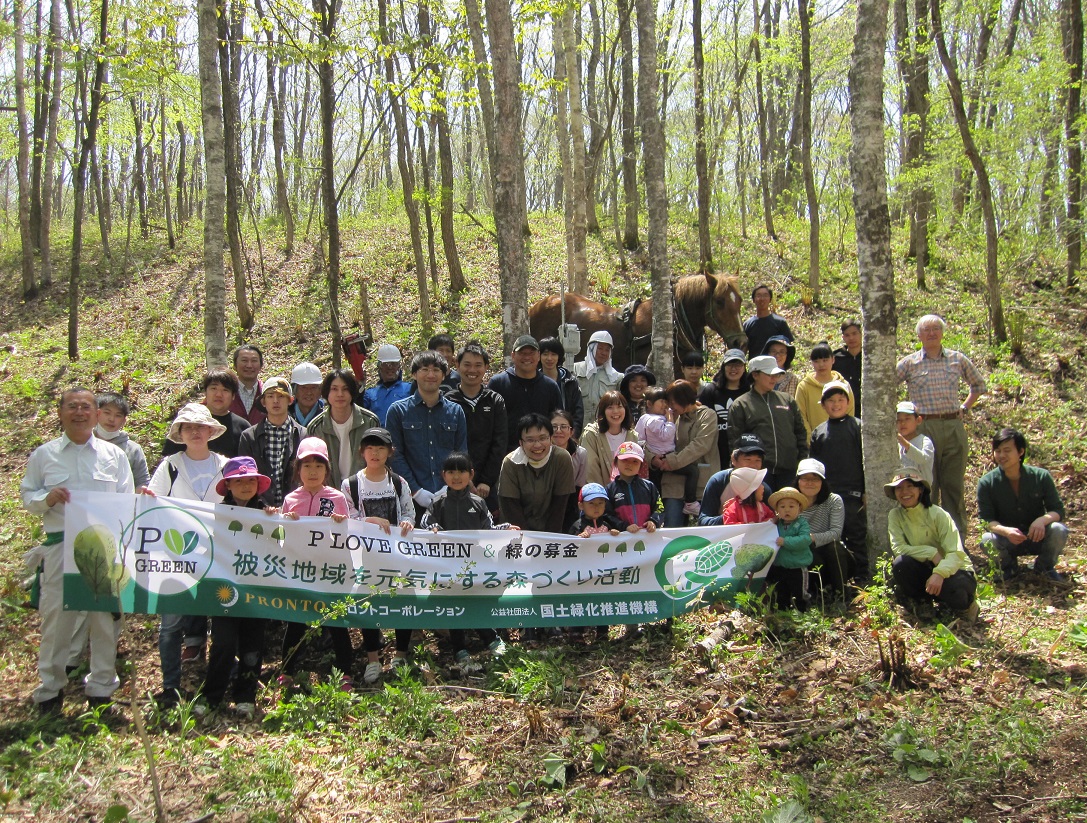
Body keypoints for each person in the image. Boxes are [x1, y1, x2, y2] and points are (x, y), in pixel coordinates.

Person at [21, 388, 134, 715]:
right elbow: (28, 497)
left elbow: (127, 502)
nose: (80, 412)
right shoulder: (45, 455)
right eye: (73, 407)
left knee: (103, 620)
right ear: (61, 412)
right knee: (57, 618)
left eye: (87, 407)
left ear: (97, 414)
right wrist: (48, 499)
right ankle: (50, 690)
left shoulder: (114, 457)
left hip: (104, 549)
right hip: (60, 547)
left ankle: (100, 689)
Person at [146, 403, 229, 706]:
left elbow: (239, 503)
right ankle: (170, 685)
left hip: (218, 553)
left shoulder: (225, 463)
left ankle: (220, 680)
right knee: (170, 624)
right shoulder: (170, 466)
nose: (195, 432)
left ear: (210, 431)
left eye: (200, 426)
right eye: (188, 427)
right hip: (175, 553)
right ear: (180, 433)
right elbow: (151, 501)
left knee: (222, 616)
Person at [197, 457, 275, 718]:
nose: (245, 486)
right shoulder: (215, 514)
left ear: (258, 484)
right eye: (238, 481)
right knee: (223, 645)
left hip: (257, 592)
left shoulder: (267, 514)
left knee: (253, 647)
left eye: (250, 480)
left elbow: (283, 547)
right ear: (228, 485)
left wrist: (280, 522)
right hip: (224, 592)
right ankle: (212, 695)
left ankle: (246, 695)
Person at [896, 313, 987, 536]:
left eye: (935, 328)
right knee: (927, 485)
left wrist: (965, 407)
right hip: (923, 427)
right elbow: (884, 387)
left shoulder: (957, 359)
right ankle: (928, 535)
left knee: (952, 485)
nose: (931, 333)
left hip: (953, 425)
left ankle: (957, 538)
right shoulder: (909, 363)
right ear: (918, 335)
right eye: (926, 330)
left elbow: (979, 385)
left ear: (942, 332)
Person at [421, 452, 509, 670]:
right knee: (453, 607)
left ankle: (491, 639)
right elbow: (425, 524)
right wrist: (433, 529)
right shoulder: (437, 503)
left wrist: (507, 530)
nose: (456, 477)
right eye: (451, 472)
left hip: (474, 566)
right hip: (446, 567)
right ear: (443, 476)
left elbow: (488, 531)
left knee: (474, 603)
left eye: (462, 471)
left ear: (471, 474)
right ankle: (459, 648)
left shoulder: (479, 503)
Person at [279, 438, 354, 691]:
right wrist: (285, 522)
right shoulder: (290, 499)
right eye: (306, 466)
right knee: (295, 622)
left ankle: (345, 673)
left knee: (336, 622)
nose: (312, 472)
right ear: (297, 470)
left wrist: (340, 524)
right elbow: (281, 538)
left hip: (329, 570)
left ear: (327, 471)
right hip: (299, 570)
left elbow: (347, 536)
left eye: (318, 466)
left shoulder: (337, 498)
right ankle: (286, 672)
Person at [341, 427, 415, 682]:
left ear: (389, 452)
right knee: (368, 602)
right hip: (366, 556)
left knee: (404, 598)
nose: (375, 453)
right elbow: (348, 518)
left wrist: (406, 523)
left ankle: (401, 654)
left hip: (398, 554)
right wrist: (369, 520)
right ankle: (373, 658)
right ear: (362, 452)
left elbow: (408, 512)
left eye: (381, 447)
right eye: (370, 448)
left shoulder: (398, 482)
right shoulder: (350, 484)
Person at [977, 428, 1068, 582]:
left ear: (1020, 452)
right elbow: (986, 520)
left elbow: (1058, 510)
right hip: (1008, 540)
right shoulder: (987, 483)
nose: (1001, 455)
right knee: (987, 539)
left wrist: (1042, 520)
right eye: (997, 451)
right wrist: (1005, 531)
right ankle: (1008, 567)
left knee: (1059, 530)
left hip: (1037, 537)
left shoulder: (1040, 476)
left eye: (1007, 450)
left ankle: (1044, 568)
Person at [886, 470, 978, 621]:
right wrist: (930, 553)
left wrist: (939, 572)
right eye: (899, 488)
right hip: (925, 568)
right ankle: (923, 603)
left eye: (910, 486)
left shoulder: (938, 514)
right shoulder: (895, 515)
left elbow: (956, 553)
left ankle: (966, 607)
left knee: (956, 587)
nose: (905, 492)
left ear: (920, 489)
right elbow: (898, 548)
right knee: (901, 564)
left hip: (954, 570)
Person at [387, 351, 468, 518]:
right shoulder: (398, 411)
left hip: (451, 497)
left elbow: (461, 453)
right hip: (409, 501)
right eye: (424, 369)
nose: (431, 375)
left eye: (436, 370)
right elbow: (395, 455)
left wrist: (449, 486)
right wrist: (415, 491)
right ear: (414, 374)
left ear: (444, 375)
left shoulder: (456, 411)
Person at [809, 381, 867, 579]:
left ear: (848, 402)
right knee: (831, 539)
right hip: (829, 497)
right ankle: (835, 582)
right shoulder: (819, 432)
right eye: (831, 401)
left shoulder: (859, 427)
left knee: (857, 538)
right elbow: (814, 467)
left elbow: (867, 463)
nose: (836, 404)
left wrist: (866, 491)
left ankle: (861, 579)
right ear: (823, 404)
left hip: (854, 496)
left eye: (840, 400)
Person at [727, 355, 808, 491]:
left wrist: (802, 461)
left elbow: (800, 432)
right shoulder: (741, 404)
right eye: (769, 374)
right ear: (755, 375)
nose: (774, 378)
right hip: (759, 473)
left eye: (776, 375)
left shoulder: (787, 400)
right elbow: (735, 442)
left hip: (789, 470)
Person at [445, 341, 508, 512]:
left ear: (486, 367)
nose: (472, 370)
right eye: (467, 365)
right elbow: (446, 443)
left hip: (487, 486)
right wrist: (463, 477)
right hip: (454, 480)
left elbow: (499, 443)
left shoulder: (495, 401)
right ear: (457, 365)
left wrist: (486, 481)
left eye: (478, 365)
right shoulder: (448, 401)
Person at [656, 380, 720, 526]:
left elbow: (701, 444)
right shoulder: (671, 416)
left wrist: (672, 462)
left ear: (683, 399)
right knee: (672, 530)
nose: (670, 407)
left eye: (673, 402)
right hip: (673, 484)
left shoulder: (707, 415)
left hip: (701, 483)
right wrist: (655, 459)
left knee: (705, 533)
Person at [497, 414, 576, 533]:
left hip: (550, 532)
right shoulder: (510, 462)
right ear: (521, 442)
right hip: (517, 532)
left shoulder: (562, 458)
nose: (537, 445)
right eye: (530, 440)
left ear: (550, 438)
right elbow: (510, 507)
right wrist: (527, 540)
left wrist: (548, 539)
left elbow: (560, 505)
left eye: (543, 438)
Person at [305, 368, 380, 489]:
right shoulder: (316, 427)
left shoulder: (370, 422)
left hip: (365, 491)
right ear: (326, 393)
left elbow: (379, 461)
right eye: (334, 389)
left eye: (345, 389)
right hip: (329, 492)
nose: (340, 394)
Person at [238, 376, 305, 507]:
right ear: (263, 401)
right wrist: (261, 504)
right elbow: (245, 476)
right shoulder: (249, 437)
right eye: (270, 396)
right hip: (258, 510)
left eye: (281, 396)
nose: (275, 401)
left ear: (290, 400)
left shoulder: (303, 435)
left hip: (295, 509)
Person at [488, 336, 563, 452]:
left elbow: (557, 421)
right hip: (506, 454)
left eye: (531, 353)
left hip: (541, 453)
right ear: (513, 355)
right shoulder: (498, 383)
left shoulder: (550, 386)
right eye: (522, 353)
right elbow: (489, 423)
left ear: (538, 355)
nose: (527, 357)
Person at [636, 386, 700, 515]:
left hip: (656, 459)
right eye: (661, 401)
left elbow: (637, 436)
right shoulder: (655, 420)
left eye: (666, 401)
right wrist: (670, 419)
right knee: (692, 471)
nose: (665, 405)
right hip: (666, 457)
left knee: (656, 488)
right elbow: (667, 434)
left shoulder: (644, 418)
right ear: (649, 404)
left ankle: (656, 512)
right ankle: (690, 502)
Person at [162, 370, 251, 458]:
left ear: (233, 396)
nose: (219, 394)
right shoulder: (188, 421)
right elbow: (170, 459)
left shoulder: (243, 426)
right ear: (205, 392)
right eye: (213, 388)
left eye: (225, 390)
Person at [794, 459, 850, 596]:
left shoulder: (833, 500)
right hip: (803, 553)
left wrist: (811, 538)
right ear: (798, 481)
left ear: (822, 482)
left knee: (835, 547)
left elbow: (836, 533)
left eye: (815, 479)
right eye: (805, 478)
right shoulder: (789, 501)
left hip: (830, 553)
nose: (809, 483)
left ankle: (841, 594)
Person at [697, 434, 773, 526]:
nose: (753, 465)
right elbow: (703, 521)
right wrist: (730, 515)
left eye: (757, 460)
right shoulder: (718, 481)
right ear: (734, 459)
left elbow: (773, 520)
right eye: (748, 459)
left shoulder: (762, 488)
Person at [700, 349, 750, 468]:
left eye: (738, 365)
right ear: (723, 367)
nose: (734, 369)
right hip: (716, 450)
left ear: (744, 367)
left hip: (744, 449)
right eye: (730, 364)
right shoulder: (711, 391)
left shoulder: (750, 392)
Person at [795, 342, 855, 437]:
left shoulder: (843, 384)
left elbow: (850, 412)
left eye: (825, 360)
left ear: (833, 360)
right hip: (815, 442)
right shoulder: (804, 387)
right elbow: (801, 416)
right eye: (817, 361)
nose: (821, 365)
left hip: (842, 438)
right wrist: (811, 439)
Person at [580, 391, 640, 487]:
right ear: (603, 411)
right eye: (610, 407)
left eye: (619, 407)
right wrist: (603, 495)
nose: (615, 411)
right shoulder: (591, 435)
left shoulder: (633, 436)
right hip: (600, 494)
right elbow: (591, 470)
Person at [766, 487, 812, 611]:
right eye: (782, 507)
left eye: (791, 507)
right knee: (781, 591)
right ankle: (782, 613)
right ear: (777, 510)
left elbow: (805, 539)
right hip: (780, 566)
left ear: (799, 508)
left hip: (797, 566)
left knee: (800, 592)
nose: (787, 510)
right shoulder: (777, 524)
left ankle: (802, 612)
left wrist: (785, 541)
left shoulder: (802, 523)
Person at [605, 442, 662, 534]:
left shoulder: (649, 486)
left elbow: (659, 508)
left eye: (635, 461)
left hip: (648, 540)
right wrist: (624, 526)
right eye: (625, 460)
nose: (629, 464)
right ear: (616, 462)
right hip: (621, 542)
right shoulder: (609, 490)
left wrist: (653, 521)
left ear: (641, 465)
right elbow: (607, 515)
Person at [538, 337, 585, 435]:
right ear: (539, 356)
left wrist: (574, 435)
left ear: (559, 356)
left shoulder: (570, 381)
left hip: (566, 435)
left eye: (553, 354)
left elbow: (578, 411)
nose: (549, 358)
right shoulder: (534, 381)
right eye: (545, 354)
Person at [551, 409, 588, 531]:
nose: (558, 431)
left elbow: (579, 484)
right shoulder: (541, 452)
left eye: (564, 427)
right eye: (554, 427)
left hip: (570, 501)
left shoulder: (581, 453)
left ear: (571, 431)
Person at [362, 344, 412, 425]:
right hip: (379, 435)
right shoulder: (370, 394)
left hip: (404, 436)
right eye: (386, 364)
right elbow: (358, 410)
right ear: (379, 367)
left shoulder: (410, 388)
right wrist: (360, 386)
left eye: (393, 364)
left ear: (399, 366)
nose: (390, 368)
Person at [573, 330, 623, 410]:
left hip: (602, 421)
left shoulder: (616, 377)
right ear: (592, 348)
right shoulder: (574, 369)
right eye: (600, 348)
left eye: (607, 350)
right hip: (578, 421)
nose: (604, 353)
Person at [743, 284, 794, 361]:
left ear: (770, 299)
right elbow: (744, 349)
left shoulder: (780, 322)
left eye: (765, 295)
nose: (762, 299)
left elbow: (787, 347)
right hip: (755, 367)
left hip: (775, 366)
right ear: (753, 300)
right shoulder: (748, 324)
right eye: (759, 295)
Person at [896, 401, 934, 486]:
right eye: (899, 420)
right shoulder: (894, 444)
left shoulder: (924, 441)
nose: (902, 423)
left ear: (918, 420)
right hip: (901, 490)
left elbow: (923, 459)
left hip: (922, 490)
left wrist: (903, 442)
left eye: (907, 419)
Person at [230, 344, 266, 425]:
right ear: (235, 365)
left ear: (261, 366)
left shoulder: (267, 393)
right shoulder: (226, 392)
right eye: (244, 360)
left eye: (254, 361)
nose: (249, 365)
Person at [833, 319, 862, 415]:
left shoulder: (870, 358)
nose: (851, 338)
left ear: (861, 334)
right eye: (847, 335)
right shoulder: (836, 358)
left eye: (854, 334)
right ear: (843, 337)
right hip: (842, 408)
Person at [289, 362, 327, 428]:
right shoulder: (285, 413)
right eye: (303, 387)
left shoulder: (327, 413)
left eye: (313, 387)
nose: (309, 392)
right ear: (294, 390)